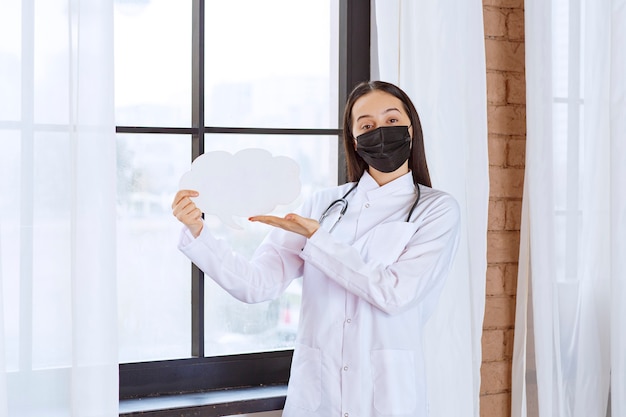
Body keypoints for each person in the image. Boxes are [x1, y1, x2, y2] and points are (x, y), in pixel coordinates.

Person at [172, 80, 460, 417]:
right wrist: (198, 231)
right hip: (317, 397)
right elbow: (256, 284)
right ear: (355, 141)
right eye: (366, 125)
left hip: (386, 398)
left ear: (412, 127)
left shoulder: (436, 210)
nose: (380, 131)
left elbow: (394, 293)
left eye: (392, 120)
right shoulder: (322, 204)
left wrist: (318, 238)